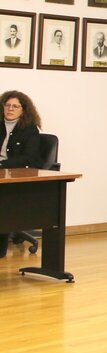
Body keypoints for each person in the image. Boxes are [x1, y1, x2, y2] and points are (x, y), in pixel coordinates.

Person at [0, 90, 44, 258]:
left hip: (17, 175)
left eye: (15, 106)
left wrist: (2, 164)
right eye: (7, 105)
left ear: (23, 110)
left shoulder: (29, 129)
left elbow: (29, 158)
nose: (10, 109)